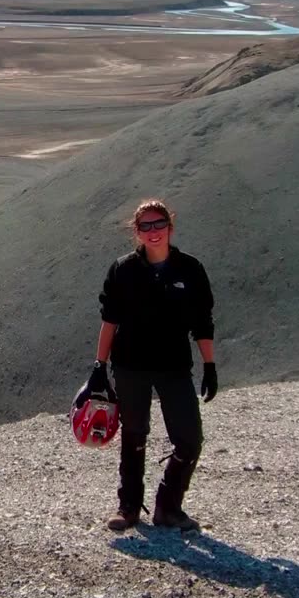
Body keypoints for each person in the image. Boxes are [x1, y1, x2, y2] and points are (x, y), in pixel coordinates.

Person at [94, 199, 218, 531]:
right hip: (130, 365)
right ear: (136, 232)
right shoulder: (123, 270)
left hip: (174, 366)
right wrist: (99, 365)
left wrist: (209, 365)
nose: (153, 232)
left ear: (170, 227)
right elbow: (109, 320)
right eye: (145, 226)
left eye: (158, 224)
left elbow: (202, 321)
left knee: (189, 438)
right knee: (134, 435)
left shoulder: (190, 270)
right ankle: (129, 507)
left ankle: (168, 506)